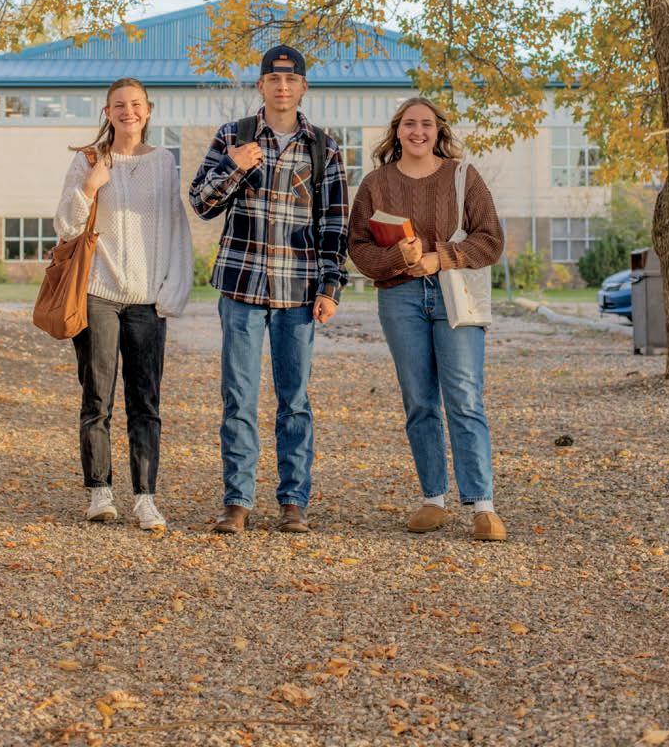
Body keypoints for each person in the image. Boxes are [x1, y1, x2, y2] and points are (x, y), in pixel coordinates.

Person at [189, 45, 348, 534]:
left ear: (303, 87)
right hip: (241, 286)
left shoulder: (324, 148)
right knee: (238, 397)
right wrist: (235, 166)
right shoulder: (232, 136)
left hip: (298, 292)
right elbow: (201, 203)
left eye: (291, 79)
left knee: (294, 401)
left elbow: (334, 225)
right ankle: (237, 501)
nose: (282, 87)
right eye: (273, 79)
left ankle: (293, 501)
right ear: (261, 85)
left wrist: (330, 287)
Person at [348, 96, 507, 542]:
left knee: (465, 397)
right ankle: (433, 499)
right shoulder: (376, 183)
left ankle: (483, 505)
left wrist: (441, 257)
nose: (417, 131)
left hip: (455, 293)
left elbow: (491, 240)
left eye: (426, 124)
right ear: (397, 131)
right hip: (400, 298)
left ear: (438, 131)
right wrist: (397, 257)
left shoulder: (462, 176)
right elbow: (358, 248)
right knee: (419, 400)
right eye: (409, 124)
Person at [54, 77, 192, 529]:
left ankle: (145, 498)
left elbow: (175, 227)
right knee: (97, 397)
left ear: (148, 110)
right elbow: (65, 227)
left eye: (135, 104)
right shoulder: (89, 160)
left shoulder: (164, 161)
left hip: (146, 301)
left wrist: (173, 289)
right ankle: (100, 491)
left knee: (145, 402)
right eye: (119, 105)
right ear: (107, 112)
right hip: (98, 295)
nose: (128, 111)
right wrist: (88, 188)